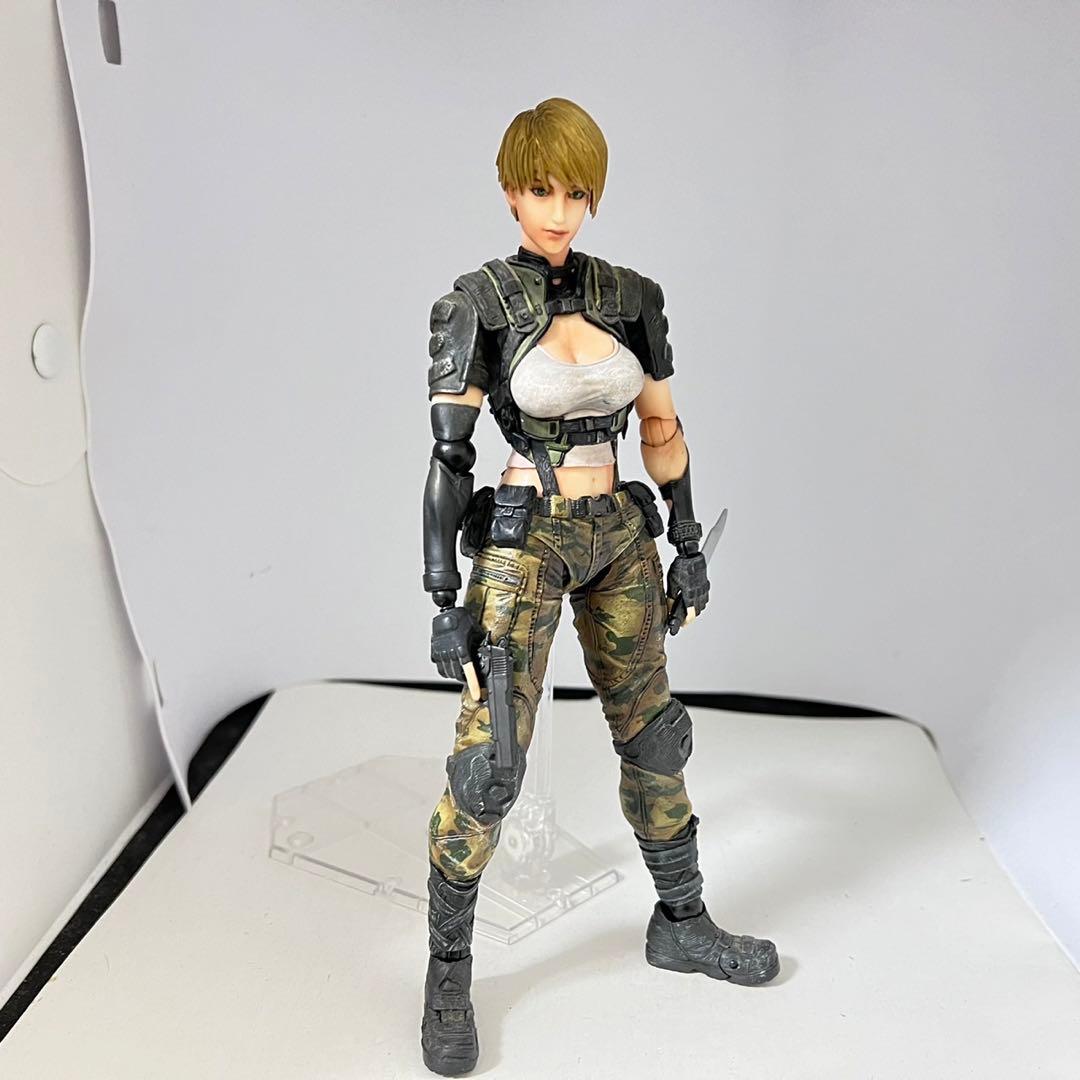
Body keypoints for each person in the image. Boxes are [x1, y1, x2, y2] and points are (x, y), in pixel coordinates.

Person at [420, 97, 779, 1076]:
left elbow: (660, 424)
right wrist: (444, 597)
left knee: (655, 734)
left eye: (575, 193)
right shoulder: (480, 303)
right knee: (490, 763)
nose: (559, 211)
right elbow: (449, 459)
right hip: (526, 537)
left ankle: (682, 921)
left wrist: (688, 538)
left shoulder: (629, 296)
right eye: (541, 190)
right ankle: (448, 971)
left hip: (619, 528)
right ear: (510, 192)